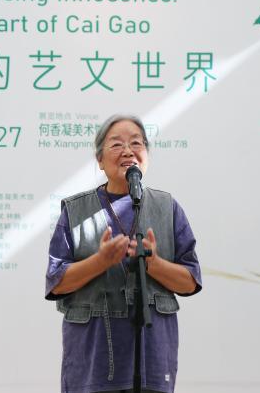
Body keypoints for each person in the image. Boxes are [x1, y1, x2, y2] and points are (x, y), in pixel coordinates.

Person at [45, 114, 202, 393]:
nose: (128, 151)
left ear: (146, 156)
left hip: (151, 360)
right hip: (93, 359)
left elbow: (190, 282)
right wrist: (100, 261)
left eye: (136, 143)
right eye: (117, 144)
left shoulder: (167, 207)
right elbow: (57, 283)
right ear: (100, 160)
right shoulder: (75, 211)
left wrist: (154, 264)